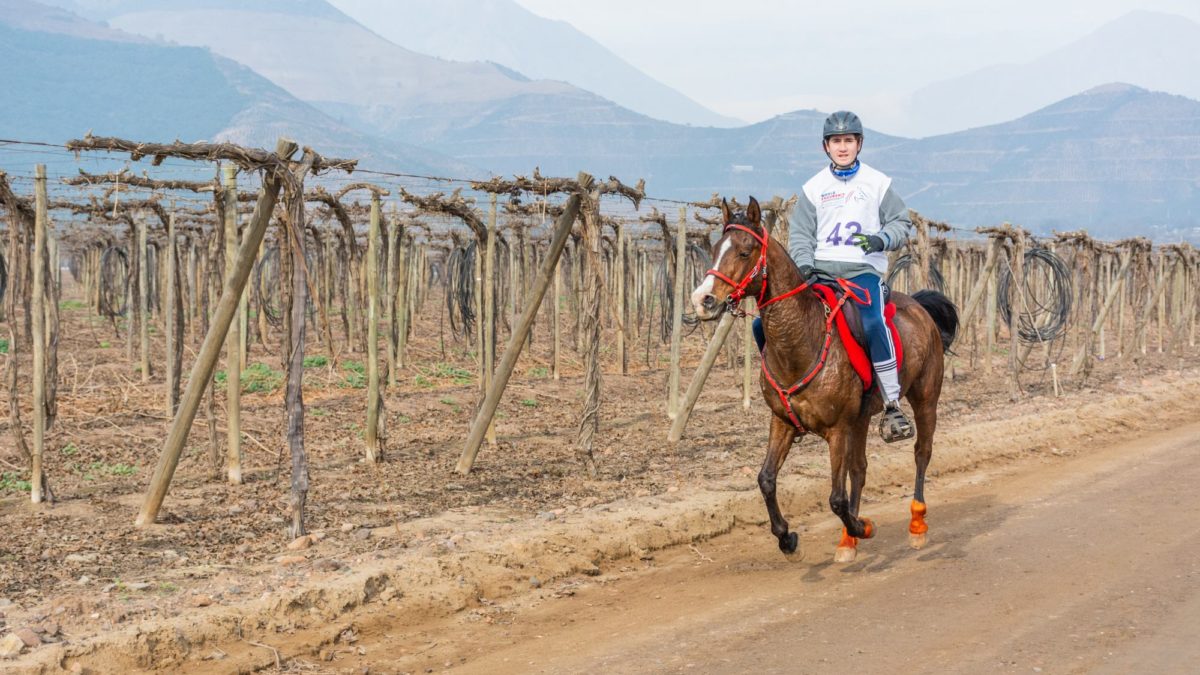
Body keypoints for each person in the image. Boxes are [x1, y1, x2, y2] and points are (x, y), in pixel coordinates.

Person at [761, 110, 914, 441]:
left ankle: (891, 404)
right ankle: (786, 398)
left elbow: (902, 223)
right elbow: (801, 235)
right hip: (820, 273)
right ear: (825, 147)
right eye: (836, 142)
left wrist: (881, 239)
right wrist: (804, 268)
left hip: (862, 274)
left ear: (859, 144)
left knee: (874, 322)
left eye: (848, 141)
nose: (842, 147)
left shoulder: (878, 184)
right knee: (765, 323)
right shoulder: (814, 188)